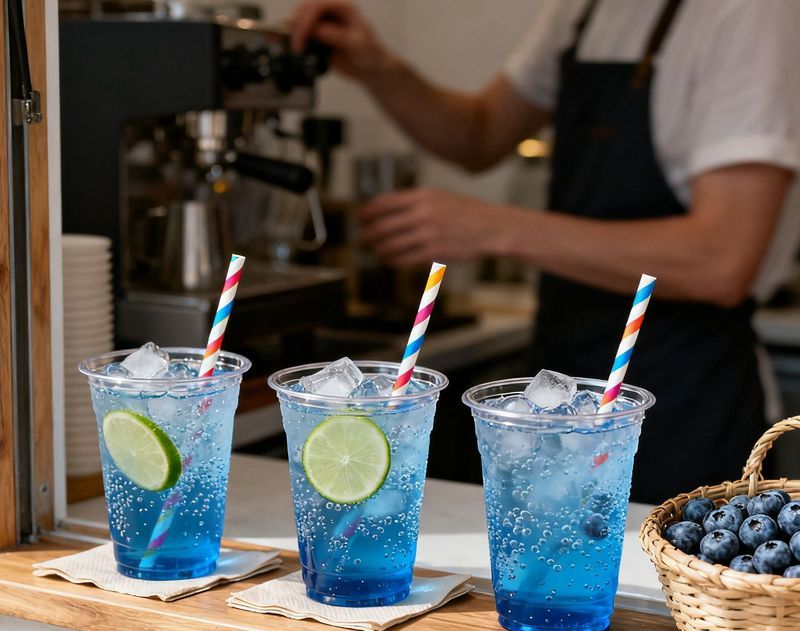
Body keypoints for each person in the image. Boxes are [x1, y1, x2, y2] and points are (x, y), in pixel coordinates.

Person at [291, 0, 800, 503]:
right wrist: (381, 69)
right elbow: (480, 133)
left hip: (685, 400)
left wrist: (496, 228)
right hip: (563, 379)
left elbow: (722, 260)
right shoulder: (582, 11)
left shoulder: (748, 13)